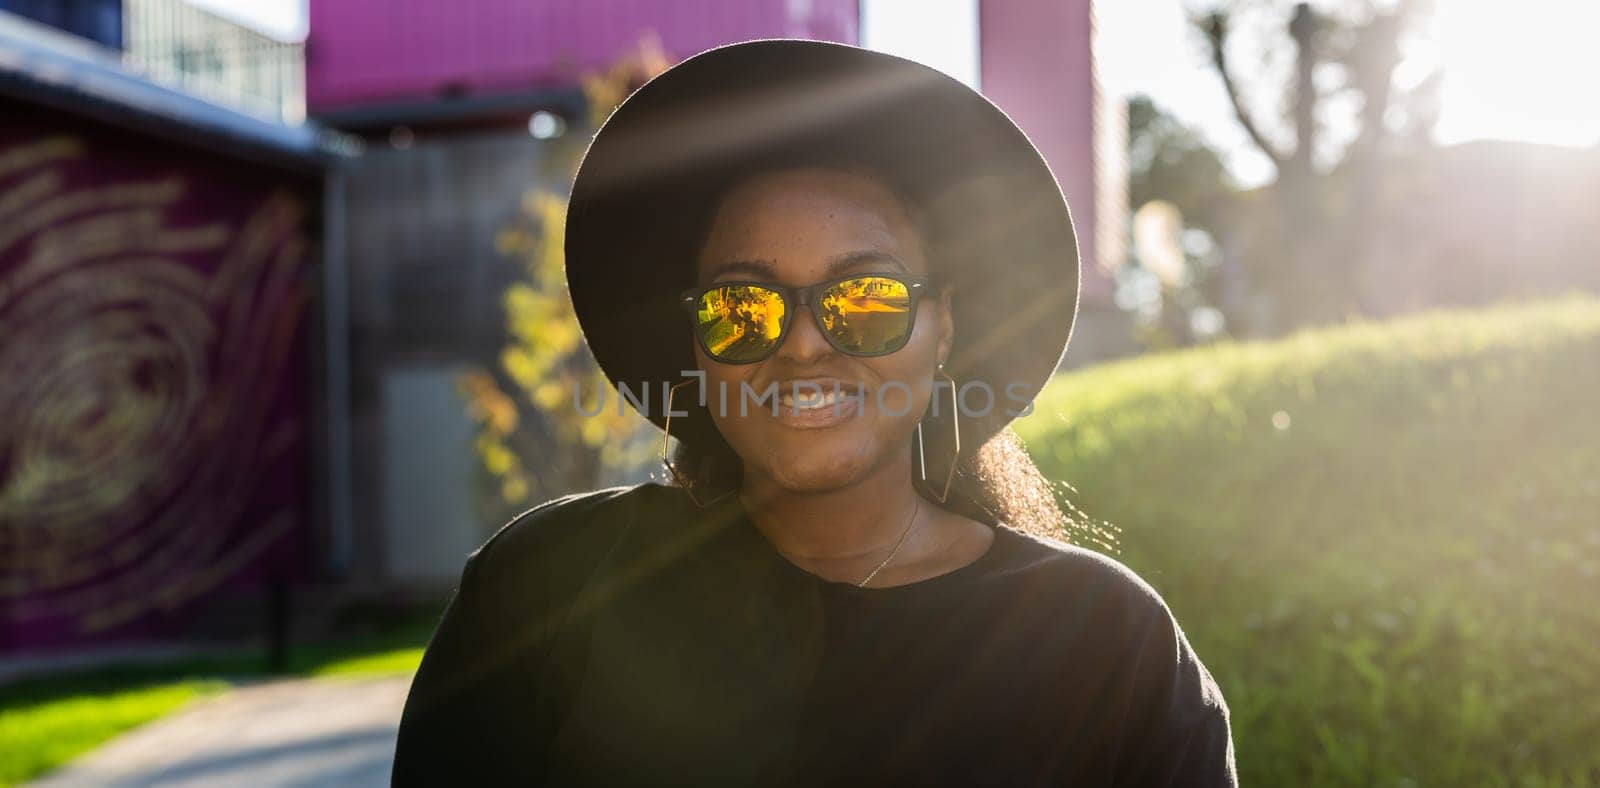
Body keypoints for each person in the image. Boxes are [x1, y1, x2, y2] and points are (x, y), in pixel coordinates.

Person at [392, 39, 1236, 786]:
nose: (800, 346)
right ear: (697, 344)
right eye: (743, 305)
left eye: (863, 297)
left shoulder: (1105, 646)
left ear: (943, 327)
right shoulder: (544, 594)